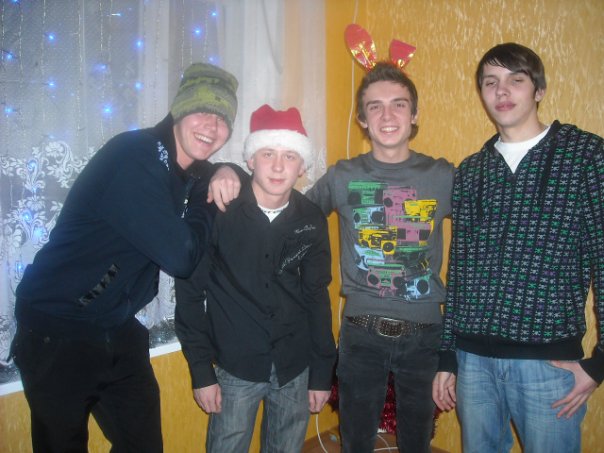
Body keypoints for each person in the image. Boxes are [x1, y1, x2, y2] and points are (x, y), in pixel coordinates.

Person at [9, 62, 243, 453]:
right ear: (178, 110)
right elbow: (181, 257)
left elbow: (239, 178)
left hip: (115, 327)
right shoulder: (134, 155)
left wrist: (227, 168)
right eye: (202, 110)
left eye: (222, 118)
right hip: (57, 331)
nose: (211, 125)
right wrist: (207, 199)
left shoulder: (184, 166)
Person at [433, 42, 604, 453]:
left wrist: (600, 363)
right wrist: (448, 356)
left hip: (548, 365)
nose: (502, 91)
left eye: (516, 79)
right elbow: (460, 269)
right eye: (490, 82)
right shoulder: (471, 171)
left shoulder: (585, 156)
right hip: (474, 363)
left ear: (538, 90)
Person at [305, 62, 455, 452]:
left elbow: (488, 231)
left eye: (398, 104)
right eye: (375, 106)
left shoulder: (442, 176)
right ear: (362, 119)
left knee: (417, 441)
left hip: (425, 333)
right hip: (361, 331)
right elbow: (293, 218)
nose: (387, 115)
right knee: (356, 441)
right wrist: (229, 174)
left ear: (414, 114)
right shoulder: (341, 176)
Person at [175, 104, 336, 453]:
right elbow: (189, 293)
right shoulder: (219, 210)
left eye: (290, 156)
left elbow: (317, 296)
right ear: (250, 160)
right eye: (268, 154)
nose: (278, 166)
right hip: (236, 367)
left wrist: (323, 372)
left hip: (295, 366)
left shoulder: (311, 219)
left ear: (302, 166)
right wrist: (201, 371)